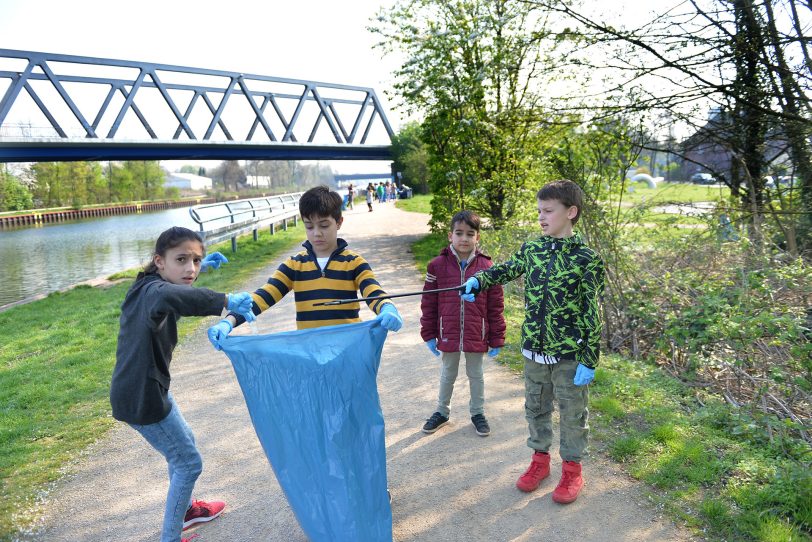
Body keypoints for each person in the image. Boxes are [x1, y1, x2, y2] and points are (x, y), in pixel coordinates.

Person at [206, 185, 402, 503]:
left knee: (353, 425)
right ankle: (331, 485)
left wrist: (387, 309)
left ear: (339, 222)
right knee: (321, 427)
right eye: (309, 226)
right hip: (312, 365)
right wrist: (229, 321)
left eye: (324, 225)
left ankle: (371, 483)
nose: (316, 233)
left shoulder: (353, 262)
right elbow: (262, 296)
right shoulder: (295, 265)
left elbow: (373, 292)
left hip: (346, 362)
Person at [462, 180, 605, 504]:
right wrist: (478, 280)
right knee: (535, 408)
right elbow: (506, 270)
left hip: (569, 355)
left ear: (571, 212)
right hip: (533, 350)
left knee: (572, 414)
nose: (541, 217)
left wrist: (589, 357)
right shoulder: (533, 250)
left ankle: (572, 470)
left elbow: (591, 309)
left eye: (548, 211)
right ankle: (539, 463)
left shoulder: (587, 259)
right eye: (539, 211)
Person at [110, 227, 257, 542]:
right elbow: (171, 297)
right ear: (159, 261)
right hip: (143, 397)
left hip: (148, 387)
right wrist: (225, 300)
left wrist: (205, 274)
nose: (191, 269)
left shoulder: (146, 285)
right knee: (188, 462)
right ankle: (170, 537)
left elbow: (176, 296)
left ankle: (188, 509)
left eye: (197, 260)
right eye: (181, 260)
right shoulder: (154, 291)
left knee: (183, 442)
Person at [420, 210, 505, 437]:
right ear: (450, 235)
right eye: (459, 233)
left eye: (470, 234)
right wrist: (428, 332)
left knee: (476, 374)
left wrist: (497, 337)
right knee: (448, 373)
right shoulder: (436, 265)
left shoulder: (488, 266)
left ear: (477, 237)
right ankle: (442, 412)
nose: (464, 239)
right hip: (447, 331)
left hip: (477, 332)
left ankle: (477, 413)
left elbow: (496, 306)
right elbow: (428, 302)